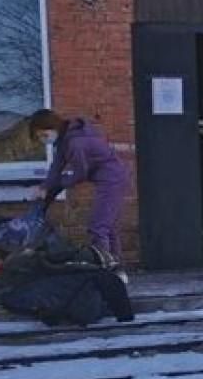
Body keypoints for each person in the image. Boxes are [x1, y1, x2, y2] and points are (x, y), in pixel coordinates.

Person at [29, 110, 130, 268]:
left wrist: (61, 183)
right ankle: (116, 265)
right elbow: (57, 166)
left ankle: (104, 268)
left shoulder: (75, 143)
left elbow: (80, 173)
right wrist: (45, 187)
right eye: (39, 137)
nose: (43, 140)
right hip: (108, 178)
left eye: (43, 135)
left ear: (52, 127)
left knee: (98, 227)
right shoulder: (65, 139)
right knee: (107, 226)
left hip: (112, 180)